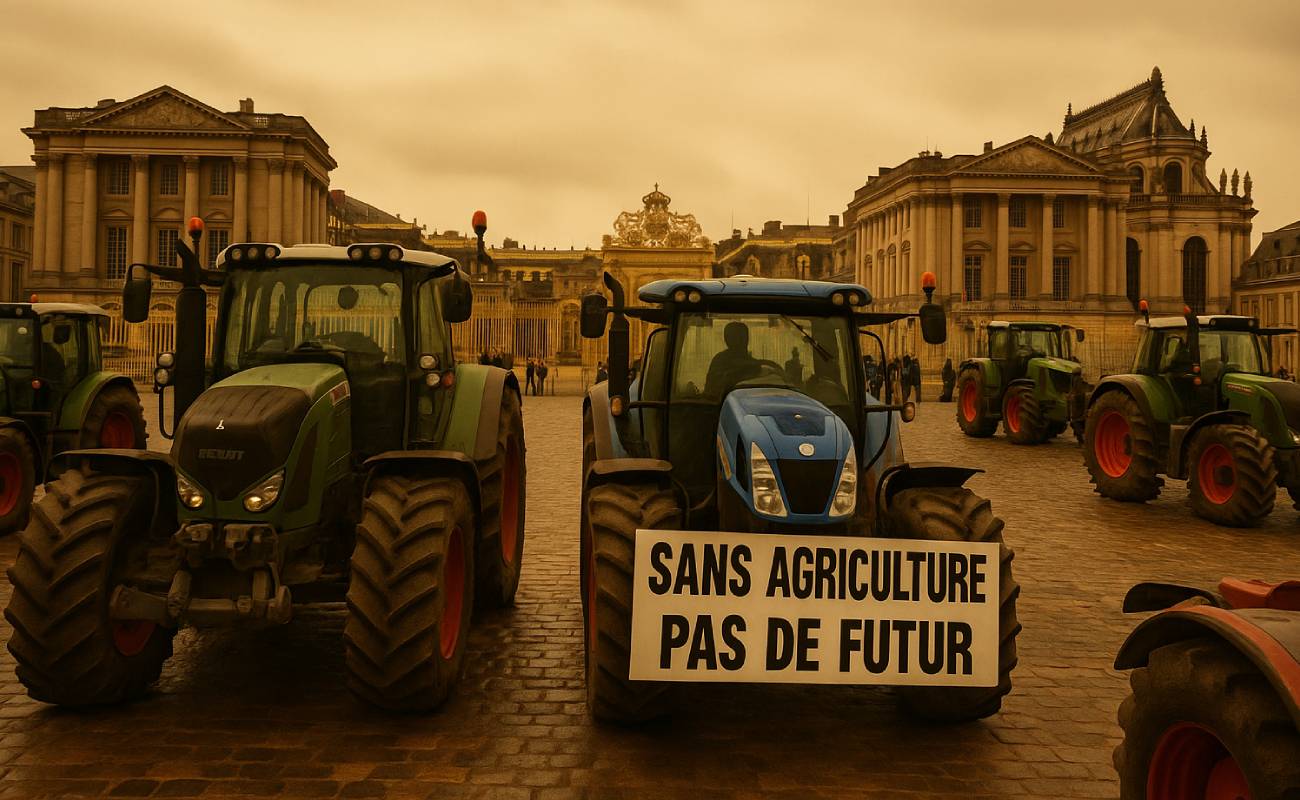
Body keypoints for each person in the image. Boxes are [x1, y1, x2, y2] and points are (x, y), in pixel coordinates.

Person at [704, 321, 759, 397]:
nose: (739, 340)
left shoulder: (755, 364)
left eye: (742, 337)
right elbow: (711, 390)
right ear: (726, 339)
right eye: (734, 337)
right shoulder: (720, 361)